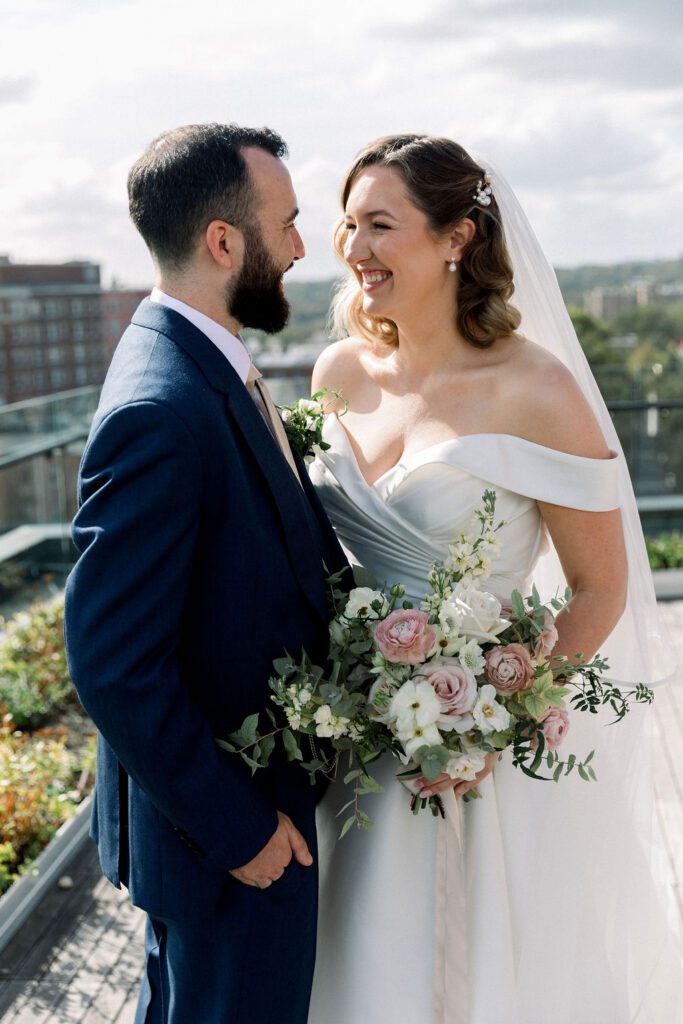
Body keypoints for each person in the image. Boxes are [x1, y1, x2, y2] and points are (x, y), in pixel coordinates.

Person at [307, 134, 682, 1024]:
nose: (355, 248)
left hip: (482, 757)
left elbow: (598, 588)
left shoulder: (534, 388)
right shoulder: (337, 373)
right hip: (347, 745)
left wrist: (495, 708)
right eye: (347, 225)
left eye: (380, 225)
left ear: (455, 239)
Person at [63, 123, 346, 1024]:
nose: (305, 247)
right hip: (230, 845)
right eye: (289, 222)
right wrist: (239, 832)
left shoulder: (203, 357)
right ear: (224, 241)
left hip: (257, 818)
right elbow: (113, 664)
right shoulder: (160, 407)